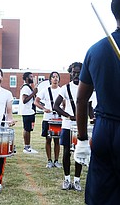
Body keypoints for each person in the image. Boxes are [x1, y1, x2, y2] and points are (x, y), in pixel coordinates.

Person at [74, 0, 120, 204]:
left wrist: (83, 138)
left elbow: (81, 99)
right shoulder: (99, 48)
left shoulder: (96, 49)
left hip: (103, 133)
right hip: (109, 125)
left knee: (101, 196)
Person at [54, 62, 94, 191]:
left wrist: (92, 118)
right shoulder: (65, 88)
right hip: (67, 126)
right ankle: (67, 179)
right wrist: (69, 116)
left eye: (79, 72)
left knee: (80, 152)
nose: (76, 74)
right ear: (70, 73)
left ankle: (76, 180)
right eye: (74, 72)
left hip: (81, 126)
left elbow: (89, 107)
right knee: (66, 153)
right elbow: (56, 106)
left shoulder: (88, 87)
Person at [34, 71, 62, 168]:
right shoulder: (45, 90)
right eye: (53, 77)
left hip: (58, 119)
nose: (55, 78)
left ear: (59, 79)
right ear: (50, 79)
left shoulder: (61, 90)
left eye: (57, 77)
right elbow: (36, 101)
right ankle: (49, 160)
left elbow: (65, 103)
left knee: (57, 140)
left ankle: (57, 160)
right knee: (48, 139)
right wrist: (44, 109)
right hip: (47, 119)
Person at [18, 72, 38, 153]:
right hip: (27, 112)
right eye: (31, 77)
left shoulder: (28, 87)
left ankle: (28, 146)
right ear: (27, 78)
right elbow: (24, 100)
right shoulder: (25, 88)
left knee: (29, 129)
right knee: (27, 129)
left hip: (30, 111)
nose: (32, 78)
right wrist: (33, 93)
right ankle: (27, 147)